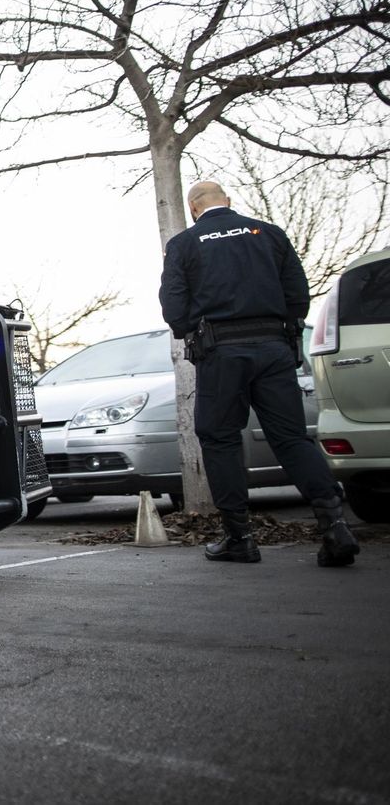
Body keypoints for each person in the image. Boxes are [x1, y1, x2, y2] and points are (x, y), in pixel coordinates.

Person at [159, 180, 360, 567]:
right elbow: (297, 292)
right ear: (228, 202)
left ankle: (240, 537)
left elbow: (173, 304)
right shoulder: (269, 234)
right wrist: (284, 327)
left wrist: (193, 330)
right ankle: (335, 526)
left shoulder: (184, 244)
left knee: (219, 439)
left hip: (221, 352)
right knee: (291, 438)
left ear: (193, 208)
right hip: (273, 348)